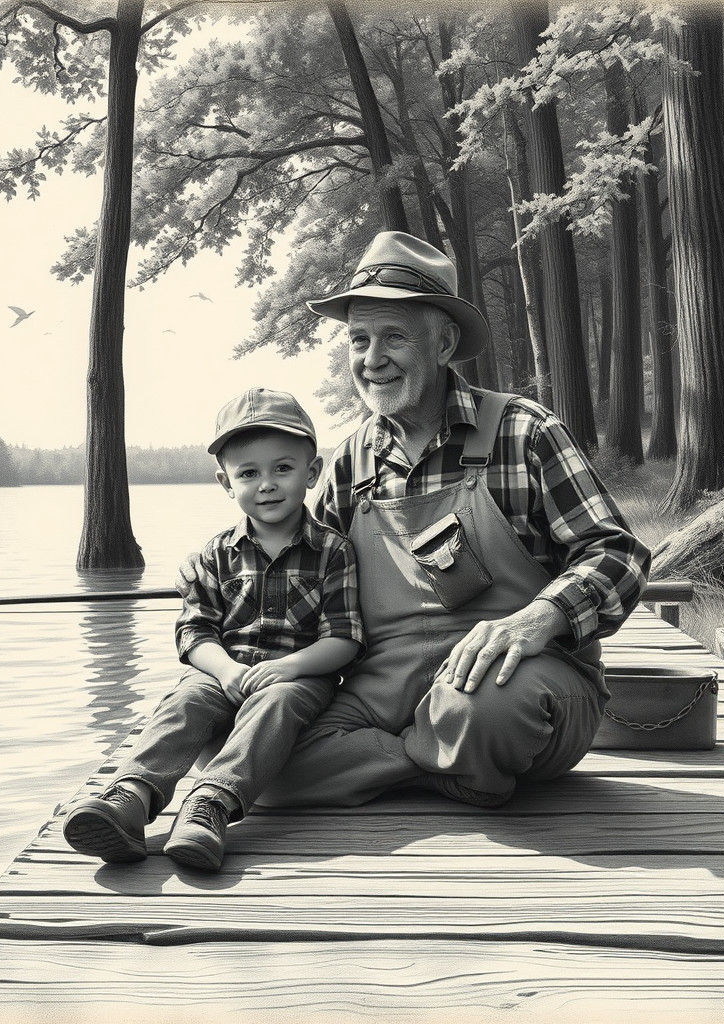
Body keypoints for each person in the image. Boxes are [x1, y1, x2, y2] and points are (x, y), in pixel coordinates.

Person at [254, 230, 652, 810]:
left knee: (485, 713)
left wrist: (539, 619)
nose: (372, 359)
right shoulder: (346, 465)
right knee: (255, 753)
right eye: (358, 340)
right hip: (382, 688)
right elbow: (310, 590)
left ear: (442, 344)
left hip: (513, 678)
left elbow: (619, 555)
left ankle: (384, 759)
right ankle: (436, 766)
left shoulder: (524, 431)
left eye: (393, 337)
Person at [63, 388, 364, 870]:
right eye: (249, 473)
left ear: (312, 473)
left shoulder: (334, 551)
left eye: (282, 469)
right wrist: (224, 671)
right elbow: (195, 633)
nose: (266, 484)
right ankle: (130, 799)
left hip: (300, 677)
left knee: (277, 700)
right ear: (226, 482)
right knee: (186, 699)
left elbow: (344, 639)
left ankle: (209, 808)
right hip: (224, 671)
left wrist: (289, 667)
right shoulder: (214, 555)